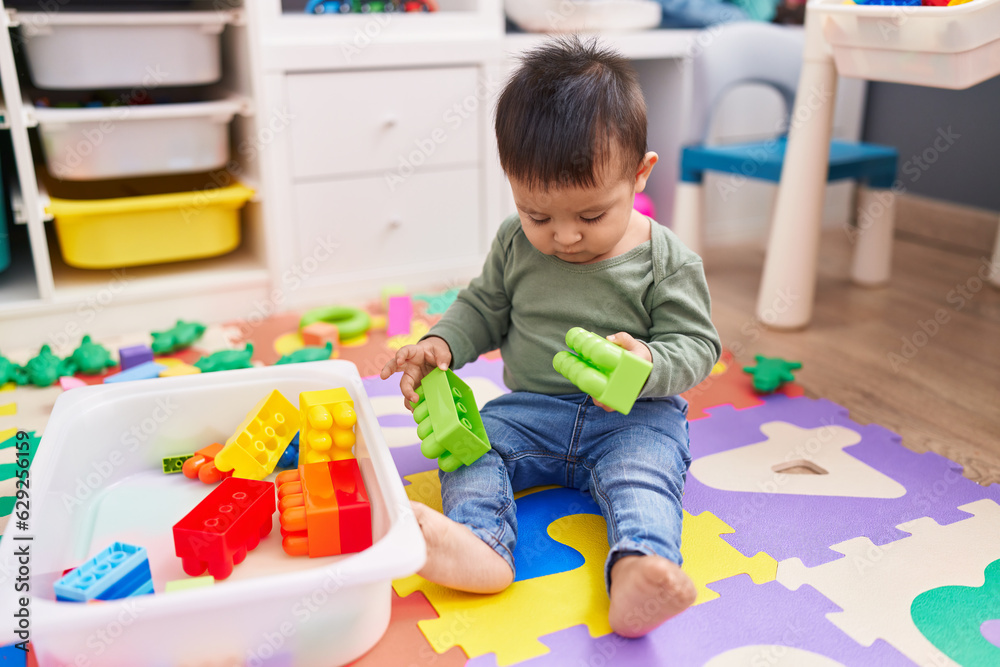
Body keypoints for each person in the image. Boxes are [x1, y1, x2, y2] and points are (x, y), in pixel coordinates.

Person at [380, 36, 721, 638]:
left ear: (640, 175)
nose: (564, 236)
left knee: (645, 477)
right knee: (469, 450)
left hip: (633, 418)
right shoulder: (515, 243)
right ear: (513, 185)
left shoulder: (667, 261)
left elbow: (697, 347)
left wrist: (645, 361)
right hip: (530, 411)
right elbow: (483, 305)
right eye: (539, 214)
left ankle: (641, 568)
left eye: (591, 216)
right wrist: (442, 345)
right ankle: (480, 547)